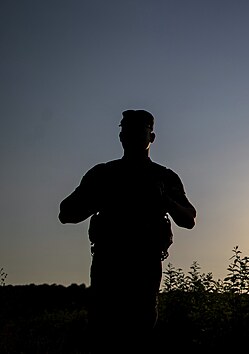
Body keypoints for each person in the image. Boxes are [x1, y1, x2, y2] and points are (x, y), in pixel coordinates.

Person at [59, 109, 196, 353]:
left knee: (140, 332)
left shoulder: (163, 177)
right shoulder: (103, 174)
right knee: (103, 332)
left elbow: (189, 218)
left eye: (137, 130)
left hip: (144, 268)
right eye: (125, 129)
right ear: (120, 137)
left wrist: (165, 200)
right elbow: (66, 213)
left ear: (151, 137)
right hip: (109, 267)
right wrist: (101, 198)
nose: (129, 135)